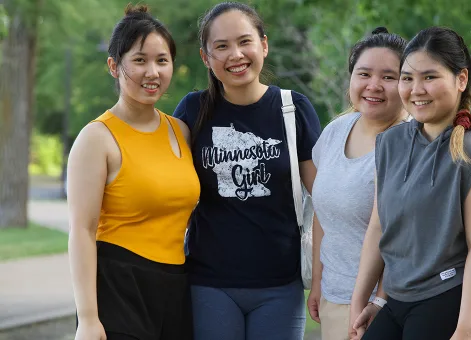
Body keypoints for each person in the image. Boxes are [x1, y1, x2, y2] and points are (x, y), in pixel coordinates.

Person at [349, 26, 471, 340]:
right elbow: (379, 226)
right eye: (408, 78)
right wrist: (366, 300)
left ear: (460, 79)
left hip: (448, 297)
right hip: (398, 299)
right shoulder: (392, 143)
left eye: (430, 77)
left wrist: (466, 329)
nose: (416, 89)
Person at [172, 2, 321, 340]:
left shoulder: (293, 108)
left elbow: (325, 202)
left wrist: (321, 281)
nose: (235, 55)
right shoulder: (192, 110)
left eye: (244, 42)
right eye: (221, 47)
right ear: (205, 57)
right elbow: (167, 185)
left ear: (263, 45)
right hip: (208, 285)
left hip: (280, 286)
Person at [67, 4, 199, 340]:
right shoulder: (96, 138)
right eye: (139, 60)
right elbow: (81, 231)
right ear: (114, 66)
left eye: (162, 60)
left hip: (175, 287)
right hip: (119, 288)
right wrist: (88, 318)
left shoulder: (181, 131)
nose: (152, 72)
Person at [306, 27, 410, 340]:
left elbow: (404, 239)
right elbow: (323, 211)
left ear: (407, 83)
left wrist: (378, 301)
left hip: (383, 308)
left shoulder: (410, 143)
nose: (373, 86)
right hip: (332, 297)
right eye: (364, 73)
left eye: (389, 77)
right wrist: (317, 282)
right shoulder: (336, 131)